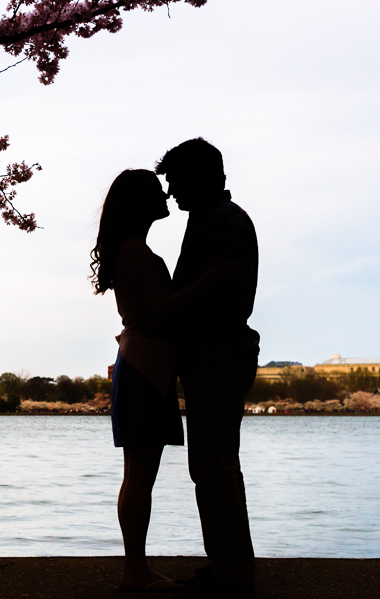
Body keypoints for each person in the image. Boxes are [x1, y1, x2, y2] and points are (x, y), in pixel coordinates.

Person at [90, 169, 241, 593]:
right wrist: (215, 276)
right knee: (140, 476)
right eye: (157, 190)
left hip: (142, 366)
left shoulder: (131, 250)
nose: (167, 194)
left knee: (138, 475)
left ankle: (134, 567)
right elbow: (164, 309)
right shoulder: (134, 251)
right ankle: (134, 570)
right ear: (140, 202)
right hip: (145, 369)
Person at [156, 138, 259, 598]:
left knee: (214, 466)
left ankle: (231, 575)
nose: (172, 192)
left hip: (216, 355)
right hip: (215, 355)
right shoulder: (214, 219)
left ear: (203, 178)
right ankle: (226, 565)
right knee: (214, 465)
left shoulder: (219, 222)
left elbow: (221, 300)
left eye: (177, 181)